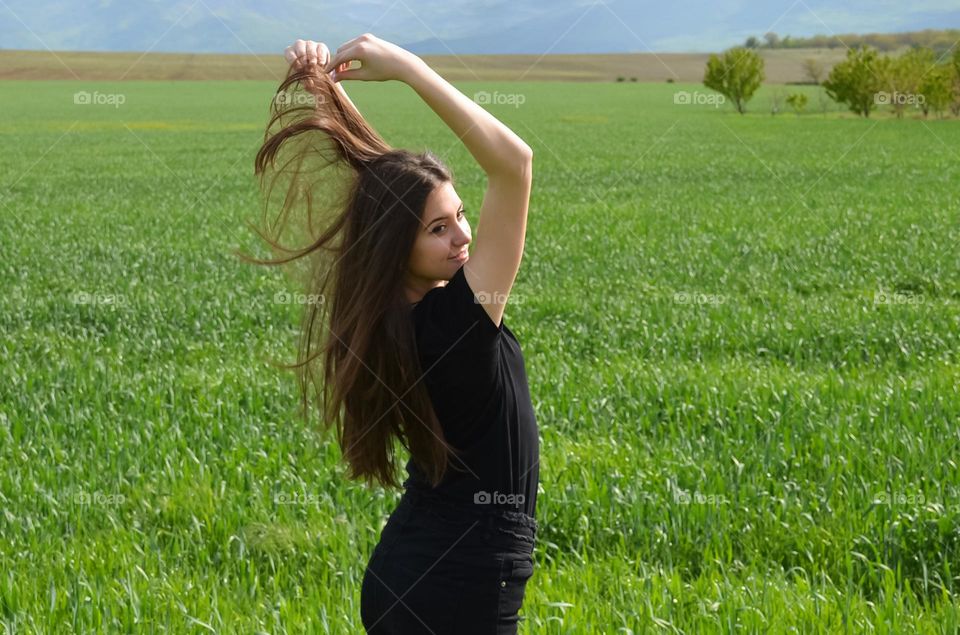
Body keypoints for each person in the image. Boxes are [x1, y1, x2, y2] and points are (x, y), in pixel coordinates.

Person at [246, 35, 537, 633]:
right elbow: (515, 164)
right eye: (438, 227)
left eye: (460, 215)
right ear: (395, 241)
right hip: (461, 587)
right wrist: (410, 69)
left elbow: (381, 184)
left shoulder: (386, 316)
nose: (462, 237)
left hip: (414, 572)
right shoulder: (460, 320)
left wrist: (322, 88)